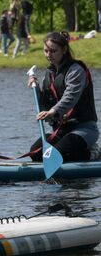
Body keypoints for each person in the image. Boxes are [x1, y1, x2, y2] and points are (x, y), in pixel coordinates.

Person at [27, 31, 98, 162]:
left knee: (58, 155)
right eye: (46, 51)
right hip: (60, 131)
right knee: (35, 153)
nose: (49, 55)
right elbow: (44, 105)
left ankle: (93, 153)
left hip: (83, 129)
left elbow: (70, 97)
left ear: (64, 50)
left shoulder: (76, 70)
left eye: (53, 51)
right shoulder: (49, 74)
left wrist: (53, 111)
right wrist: (36, 88)